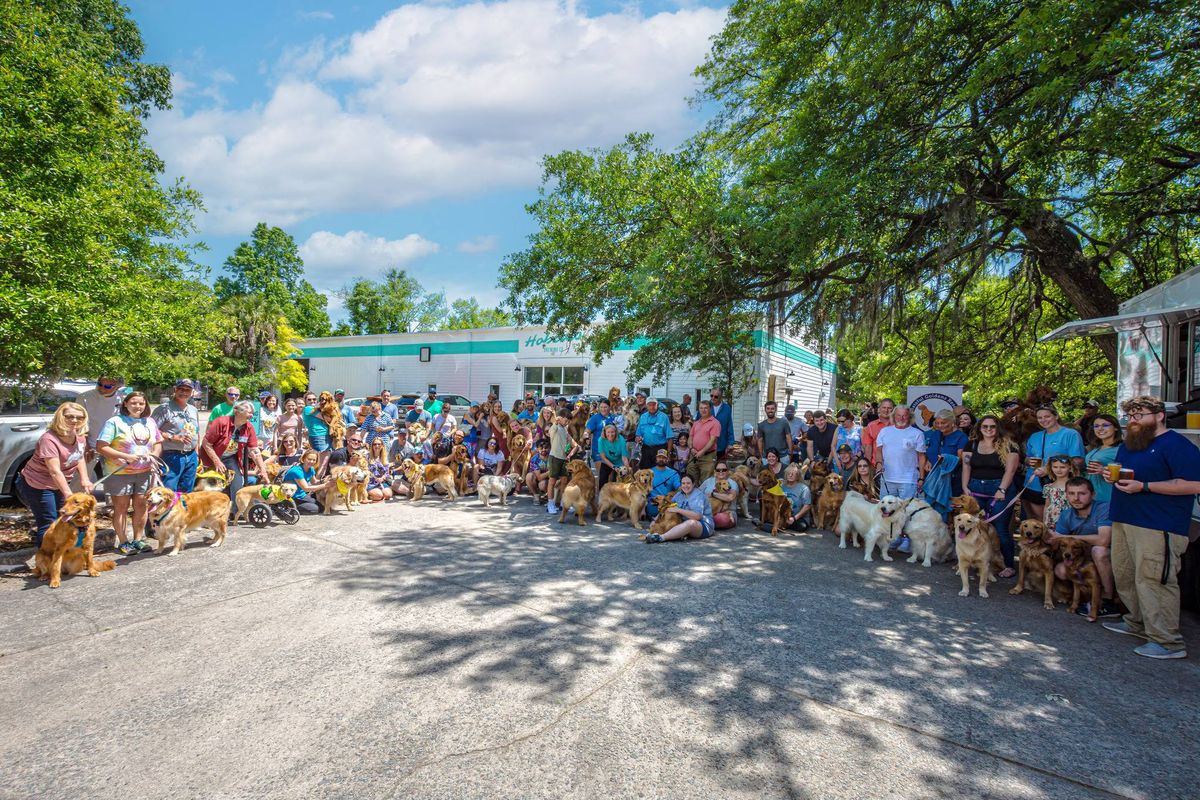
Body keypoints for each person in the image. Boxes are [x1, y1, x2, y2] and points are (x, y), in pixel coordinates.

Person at [1102, 396, 1200, 659]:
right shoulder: (1131, 445)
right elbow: (1124, 473)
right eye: (1129, 416)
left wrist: (1145, 487)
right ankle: (1136, 622)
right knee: (1126, 573)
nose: (1133, 421)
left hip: (1159, 523)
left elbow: (1194, 484)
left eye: (1139, 415)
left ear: (1158, 415)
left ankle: (1167, 641)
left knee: (1154, 579)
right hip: (1125, 517)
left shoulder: (1176, 445)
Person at [16, 402, 92, 547]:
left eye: (79, 418)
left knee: (63, 519)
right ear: (60, 417)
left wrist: (85, 479)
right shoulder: (49, 439)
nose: (75, 421)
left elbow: (79, 456)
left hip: (58, 484)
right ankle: (46, 563)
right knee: (49, 523)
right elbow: (54, 471)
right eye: (70, 417)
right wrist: (68, 494)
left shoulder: (80, 437)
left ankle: (59, 558)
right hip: (38, 484)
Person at [96, 391, 162, 555]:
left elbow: (158, 443)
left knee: (141, 506)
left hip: (145, 472)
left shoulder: (150, 422)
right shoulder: (114, 422)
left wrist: (153, 456)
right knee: (121, 508)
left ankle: (138, 539)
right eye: (133, 403)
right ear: (125, 404)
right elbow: (101, 446)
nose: (138, 406)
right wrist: (126, 457)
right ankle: (123, 541)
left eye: (141, 403)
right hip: (120, 473)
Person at [1052, 477, 1119, 618]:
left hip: (1109, 557)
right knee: (1060, 570)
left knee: (1098, 551)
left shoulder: (1103, 508)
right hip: (1080, 558)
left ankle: (1108, 600)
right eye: (1071, 493)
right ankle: (1083, 598)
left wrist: (1072, 538)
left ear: (1092, 494)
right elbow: (1057, 540)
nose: (1076, 498)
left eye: (1082, 494)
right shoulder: (1066, 514)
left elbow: (1103, 540)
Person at [962, 414, 1020, 576]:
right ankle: (975, 561)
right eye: (985, 426)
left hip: (1000, 488)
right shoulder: (971, 445)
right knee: (975, 526)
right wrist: (965, 487)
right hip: (975, 488)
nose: (988, 429)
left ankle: (1008, 565)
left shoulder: (1009, 446)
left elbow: (1011, 470)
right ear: (979, 428)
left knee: (1000, 528)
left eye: (992, 426)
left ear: (998, 428)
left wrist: (1001, 490)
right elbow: (966, 467)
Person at [875, 406, 926, 555]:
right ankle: (892, 538)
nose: (901, 418)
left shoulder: (917, 434)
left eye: (905, 416)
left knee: (906, 511)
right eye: (898, 415)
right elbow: (878, 451)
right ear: (893, 416)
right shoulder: (885, 431)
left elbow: (921, 457)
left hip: (908, 479)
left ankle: (907, 540)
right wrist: (879, 464)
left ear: (909, 417)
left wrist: (921, 477)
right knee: (886, 511)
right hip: (887, 478)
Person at [202, 400, 268, 513]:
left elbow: (255, 451)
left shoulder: (249, 427)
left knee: (237, 484)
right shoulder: (221, 422)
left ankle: (234, 512)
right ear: (237, 412)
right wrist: (217, 461)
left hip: (230, 458)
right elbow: (206, 443)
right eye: (249, 412)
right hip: (211, 458)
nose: (252, 415)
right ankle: (208, 513)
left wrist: (263, 470)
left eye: (253, 413)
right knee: (213, 486)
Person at [1022, 404, 1085, 522]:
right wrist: (1028, 461)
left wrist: (1049, 469)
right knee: (1039, 521)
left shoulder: (1070, 434)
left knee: (1060, 521)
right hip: (1034, 483)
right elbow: (1027, 458)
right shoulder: (1035, 436)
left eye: (1047, 416)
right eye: (1040, 417)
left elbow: (1078, 460)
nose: (1043, 420)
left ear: (1056, 416)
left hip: (1060, 486)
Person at [151, 379, 201, 493]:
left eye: (187, 390)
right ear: (175, 389)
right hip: (171, 455)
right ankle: (168, 511)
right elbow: (152, 429)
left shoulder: (193, 409)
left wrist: (196, 453)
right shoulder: (164, 409)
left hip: (191, 455)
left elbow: (196, 431)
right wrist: (173, 437)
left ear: (192, 392)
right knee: (168, 490)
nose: (184, 392)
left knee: (186, 491)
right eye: (181, 389)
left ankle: (182, 511)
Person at [76, 376, 124, 479]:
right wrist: (86, 445)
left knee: (114, 480)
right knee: (80, 480)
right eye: (99, 384)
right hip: (91, 445)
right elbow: (79, 423)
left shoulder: (123, 398)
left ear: (118, 386)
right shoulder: (84, 397)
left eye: (107, 386)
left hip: (114, 446)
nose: (102, 389)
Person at [643, 473, 713, 543]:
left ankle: (661, 537)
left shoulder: (698, 495)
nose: (685, 486)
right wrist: (655, 519)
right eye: (683, 483)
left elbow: (697, 516)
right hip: (683, 524)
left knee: (691, 523)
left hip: (702, 526)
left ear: (693, 484)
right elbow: (668, 506)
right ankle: (668, 534)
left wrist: (679, 510)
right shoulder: (679, 494)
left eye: (688, 483)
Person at [924, 409, 968, 496]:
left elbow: (961, 458)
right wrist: (928, 460)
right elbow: (931, 450)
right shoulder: (935, 434)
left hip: (951, 478)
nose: (940, 425)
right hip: (933, 477)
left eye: (943, 423)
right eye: (937, 423)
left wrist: (947, 459)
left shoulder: (961, 437)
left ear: (952, 422)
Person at [546, 411, 579, 514]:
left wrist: (570, 454)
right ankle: (550, 504)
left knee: (564, 481)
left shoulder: (565, 429)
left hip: (564, 460)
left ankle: (563, 503)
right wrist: (556, 418)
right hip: (554, 458)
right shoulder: (554, 427)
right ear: (560, 418)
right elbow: (553, 426)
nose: (567, 422)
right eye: (566, 420)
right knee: (552, 481)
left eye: (569, 421)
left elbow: (575, 445)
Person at [1084, 414, 1122, 503]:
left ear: (1116, 427)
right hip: (1092, 497)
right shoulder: (1097, 447)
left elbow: (1130, 474)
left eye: (1105, 425)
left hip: (1109, 497)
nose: (1100, 429)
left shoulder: (1122, 449)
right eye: (1096, 426)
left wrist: (1103, 471)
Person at [686, 399, 722, 484]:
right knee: (691, 480)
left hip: (707, 457)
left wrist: (702, 451)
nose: (703, 410)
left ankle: (705, 497)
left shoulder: (715, 423)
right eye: (701, 408)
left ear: (710, 409)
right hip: (694, 455)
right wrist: (691, 448)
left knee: (706, 482)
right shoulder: (696, 423)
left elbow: (712, 440)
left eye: (706, 408)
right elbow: (690, 437)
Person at [699, 461, 739, 529]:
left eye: (724, 470)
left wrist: (713, 494)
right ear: (715, 471)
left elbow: (730, 497)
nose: (721, 472)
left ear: (727, 471)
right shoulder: (708, 481)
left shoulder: (732, 483)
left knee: (721, 519)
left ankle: (703, 523)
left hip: (727, 511)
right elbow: (698, 493)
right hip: (708, 509)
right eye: (718, 470)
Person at [1041, 455, 1076, 530]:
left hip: (1068, 519)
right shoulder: (1048, 487)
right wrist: (1044, 522)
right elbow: (1047, 506)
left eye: (1063, 467)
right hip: (1051, 520)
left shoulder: (1075, 486)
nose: (1058, 470)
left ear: (1070, 468)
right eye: (1055, 467)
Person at [635, 398, 671, 467]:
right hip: (646, 449)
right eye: (649, 405)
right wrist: (638, 438)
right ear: (646, 406)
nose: (652, 407)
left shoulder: (664, 417)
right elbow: (638, 434)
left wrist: (668, 453)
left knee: (659, 471)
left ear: (657, 405)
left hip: (660, 449)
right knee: (645, 472)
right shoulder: (643, 417)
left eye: (654, 404)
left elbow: (670, 437)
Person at [646, 449, 682, 518]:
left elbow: (678, 488)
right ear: (656, 458)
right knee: (654, 512)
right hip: (653, 501)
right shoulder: (649, 472)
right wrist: (642, 509)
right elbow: (644, 491)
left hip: (667, 502)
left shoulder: (673, 473)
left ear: (667, 459)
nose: (661, 459)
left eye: (663, 458)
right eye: (659, 457)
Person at [860, 398, 894, 466]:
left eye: (889, 408)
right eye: (884, 407)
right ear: (879, 409)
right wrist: (868, 467)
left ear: (893, 409)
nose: (886, 410)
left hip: (895, 466)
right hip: (876, 466)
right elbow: (868, 448)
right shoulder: (871, 426)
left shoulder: (898, 426)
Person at [586, 399, 620, 465]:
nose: (603, 409)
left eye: (605, 407)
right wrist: (587, 438)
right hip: (598, 450)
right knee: (601, 474)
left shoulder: (614, 418)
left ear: (609, 407)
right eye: (601, 407)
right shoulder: (595, 418)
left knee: (611, 474)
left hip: (612, 450)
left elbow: (619, 432)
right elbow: (587, 431)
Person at [595, 423, 629, 491]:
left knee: (617, 481)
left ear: (616, 432)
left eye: (612, 432)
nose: (610, 434)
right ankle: (602, 496)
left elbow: (624, 458)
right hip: (607, 461)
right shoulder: (601, 440)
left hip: (619, 462)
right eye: (608, 432)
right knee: (602, 478)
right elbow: (603, 457)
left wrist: (627, 469)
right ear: (604, 432)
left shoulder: (621, 440)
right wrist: (613, 467)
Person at [779, 463, 813, 531]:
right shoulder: (782, 486)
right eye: (789, 473)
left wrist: (794, 518)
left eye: (793, 474)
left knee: (802, 526)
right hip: (784, 515)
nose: (790, 475)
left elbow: (807, 506)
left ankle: (783, 524)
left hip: (798, 518)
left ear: (798, 476)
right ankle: (783, 523)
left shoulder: (804, 488)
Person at [365, 438, 393, 502]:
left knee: (388, 495)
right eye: (374, 444)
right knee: (379, 496)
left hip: (381, 482)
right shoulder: (367, 457)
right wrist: (373, 476)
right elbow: (364, 469)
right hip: (371, 482)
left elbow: (387, 472)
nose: (377, 446)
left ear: (382, 446)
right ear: (372, 446)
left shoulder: (384, 457)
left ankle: (378, 493)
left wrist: (382, 478)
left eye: (379, 444)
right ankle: (367, 495)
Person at [709, 388, 734, 458]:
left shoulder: (727, 408)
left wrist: (730, 443)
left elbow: (729, 426)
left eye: (716, 396)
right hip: (706, 446)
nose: (713, 398)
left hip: (721, 445)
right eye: (711, 396)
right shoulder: (706, 407)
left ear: (721, 397)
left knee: (720, 467)